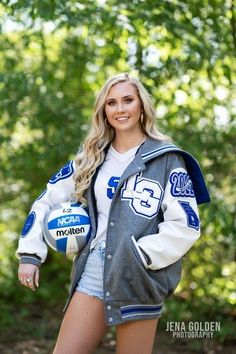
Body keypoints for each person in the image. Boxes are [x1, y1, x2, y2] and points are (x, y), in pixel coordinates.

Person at [17, 72, 210, 354]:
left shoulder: (168, 160)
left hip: (138, 275)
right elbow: (46, 200)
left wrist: (139, 256)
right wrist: (30, 254)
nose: (120, 109)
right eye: (111, 103)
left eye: (128, 100)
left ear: (141, 106)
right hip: (94, 268)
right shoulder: (92, 157)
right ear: (104, 111)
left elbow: (185, 226)